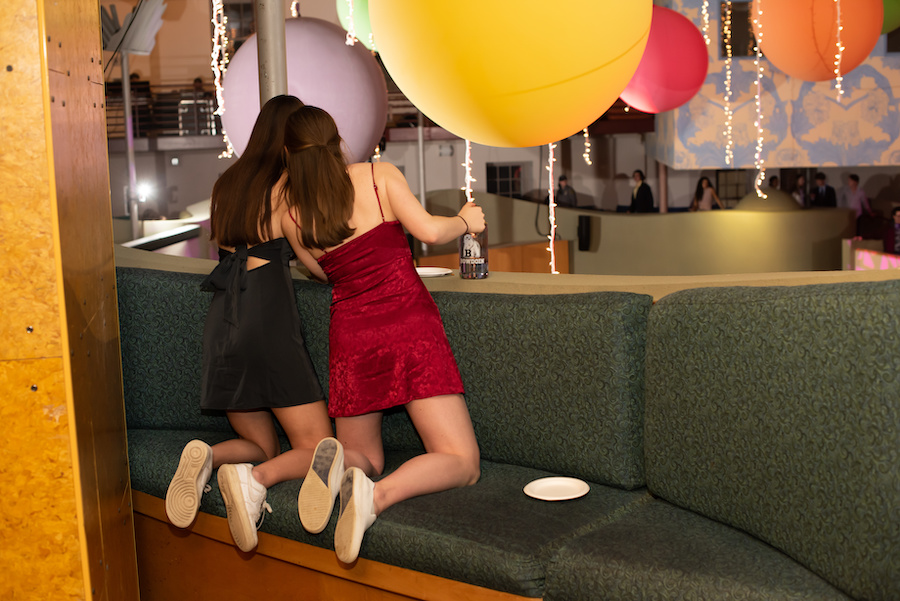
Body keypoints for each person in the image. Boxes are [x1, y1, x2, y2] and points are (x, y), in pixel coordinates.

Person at [282, 106, 483, 564]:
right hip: (408, 327)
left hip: (352, 337)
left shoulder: (293, 217)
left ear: (289, 156)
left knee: (364, 456)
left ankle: (339, 463)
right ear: (337, 140)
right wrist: (466, 220)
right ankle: (376, 499)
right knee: (462, 462)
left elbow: (319, 271)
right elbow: (430, 230)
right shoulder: (377, 176)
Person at [164, 95, 335, 554]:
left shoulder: (226, 183)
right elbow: (311, 256)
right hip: (267, 315)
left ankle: (211, 458)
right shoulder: (285, 186)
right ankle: (249, 482)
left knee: (260, 443)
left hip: (224, 317)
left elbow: (223, 244)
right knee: (321, 444)